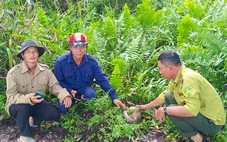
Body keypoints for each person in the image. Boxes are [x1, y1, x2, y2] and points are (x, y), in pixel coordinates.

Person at [137, 50, 226, 142]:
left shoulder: (188, 79)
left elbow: (192, 110)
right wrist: (146, 107)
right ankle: (195, 130)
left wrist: (165, 110)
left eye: (160, 68)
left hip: (212, 122)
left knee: (170, 109)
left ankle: (198, 139)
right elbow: (165, 94)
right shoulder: (178, 75)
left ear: (170, 68)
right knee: (169, 96)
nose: (160, 72)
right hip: (202, 113)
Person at [5, 39, 72, 142]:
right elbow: (11, 97)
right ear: (23, 55)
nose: (32, 55)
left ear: (38, 54)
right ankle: (24, 136)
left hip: (36, 104)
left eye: (35, 51)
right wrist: (28, 98)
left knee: (55, 113)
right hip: (16, 106)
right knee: (24, 106)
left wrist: (65, 95)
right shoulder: (13, 73)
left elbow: (55, 86)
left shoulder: (45, 70)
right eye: (28, 52)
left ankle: (31, 119)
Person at [54, 32, 125, 113]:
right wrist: (68, 92)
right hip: (66, 90)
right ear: (70, 47)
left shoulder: (92, 62)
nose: (79, 50)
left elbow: (102, 79)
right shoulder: (60, 62)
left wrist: (114, 97)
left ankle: (83, 109)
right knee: (63, 108)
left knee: (91, 96)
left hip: (84, 89)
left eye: (82, 46)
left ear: (86, 47)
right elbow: (58, 82)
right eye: (75, 47)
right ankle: (71, 104)